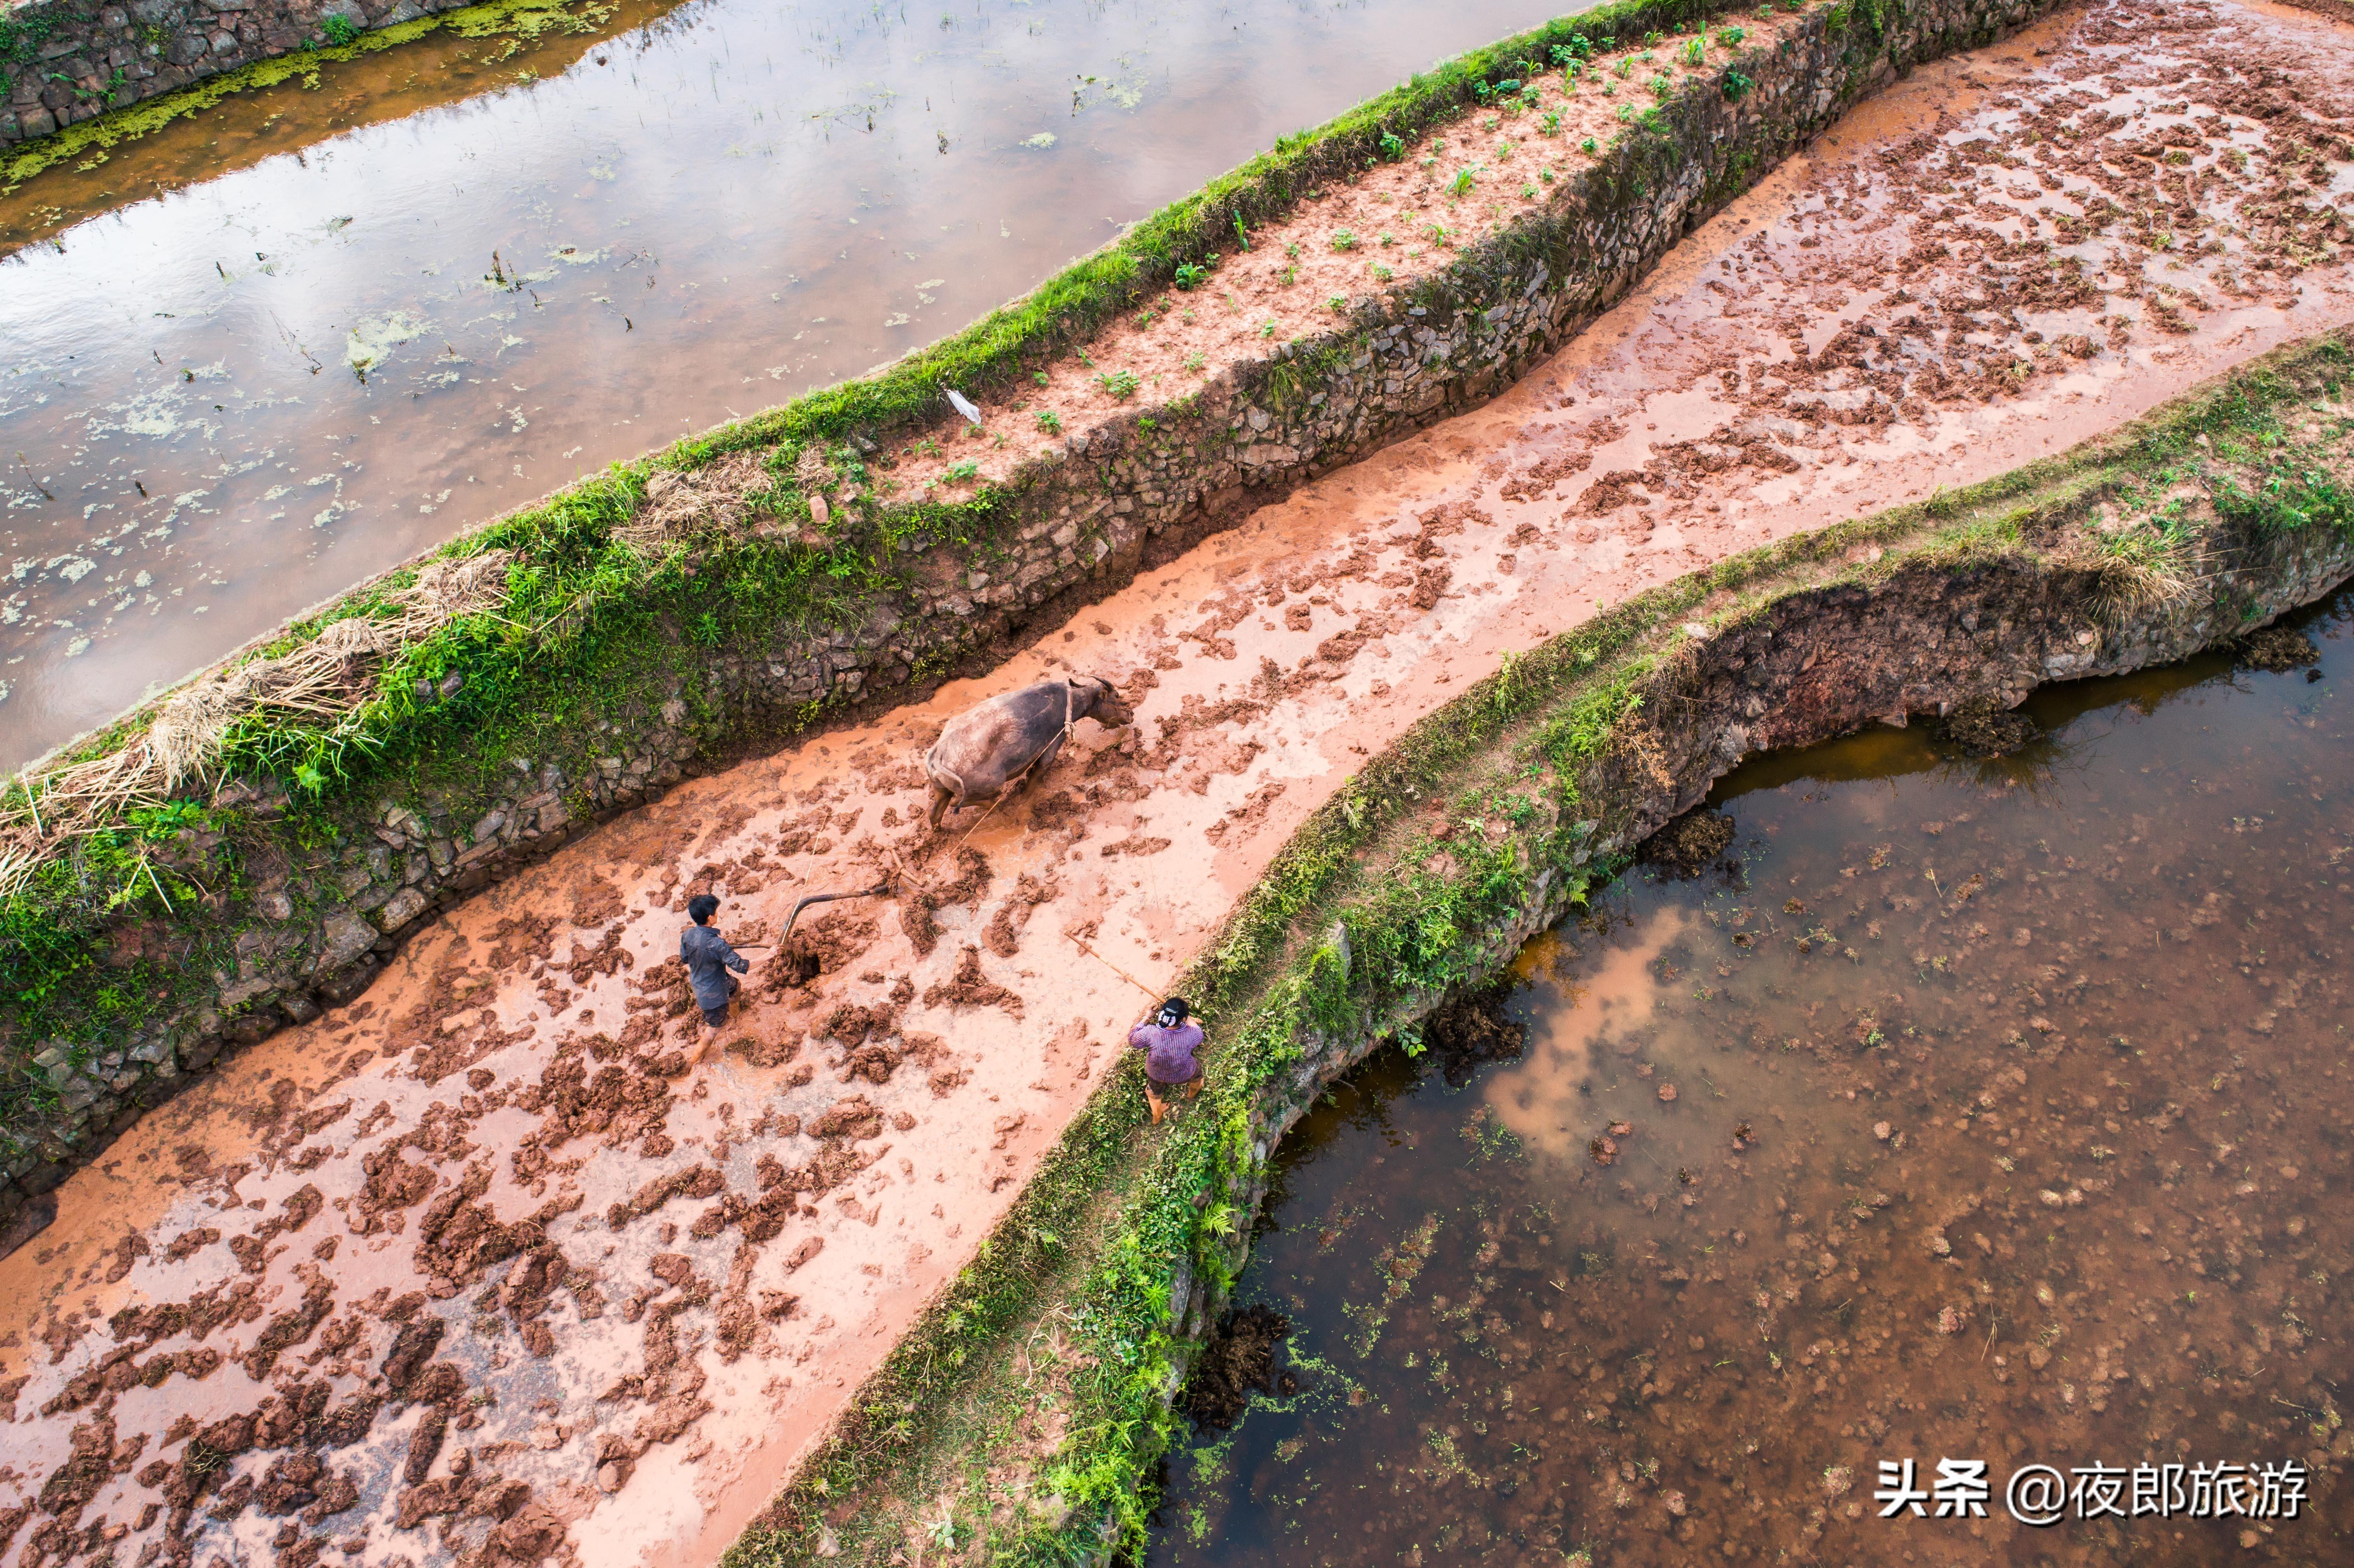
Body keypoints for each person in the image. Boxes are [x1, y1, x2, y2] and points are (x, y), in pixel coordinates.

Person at [681, 893, 750, 1058]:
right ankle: (693, 1061)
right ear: (710, 917)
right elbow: (741, 966)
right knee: (714, 1029)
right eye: (716, 912)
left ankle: (735, 1014)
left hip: (702, 982)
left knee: (734, 986)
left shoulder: (688, 934)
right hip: (712, 996)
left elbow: (685, 958)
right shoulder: (716, 944)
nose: (718, 914)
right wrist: (769, 956)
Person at [1127, 997, 1203, 1123]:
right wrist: (1187, 1018)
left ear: (1162, 1014)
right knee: (1197, 1075)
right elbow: (1199, 1034)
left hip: (1156, 1074)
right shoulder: (1191, 1034)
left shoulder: (1150, 1032)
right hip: (1183, 1073)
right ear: (1183, 1019)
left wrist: (1147, 1017)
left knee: (1154, 1093)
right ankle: (1192, 1096)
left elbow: (1133, 1040)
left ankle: (1157, 1117)